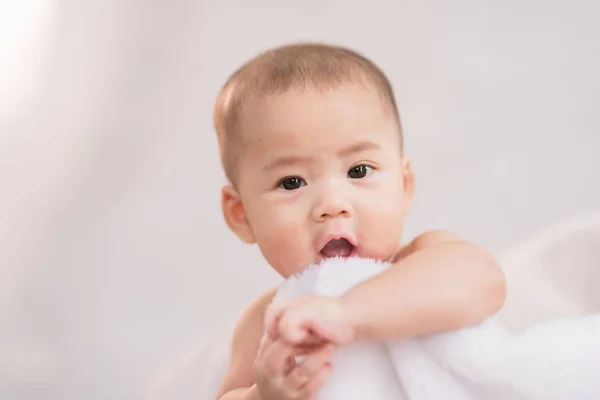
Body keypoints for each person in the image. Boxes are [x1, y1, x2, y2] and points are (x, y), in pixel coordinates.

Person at [212, 42, 506, 400]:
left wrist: (348, 313)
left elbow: (483, 280)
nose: (333, 204)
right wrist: (265, 393)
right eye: (292, 182)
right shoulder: (268, 319)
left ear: (404, 184)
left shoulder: (421, 261)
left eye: (358, 170)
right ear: (241, 215)